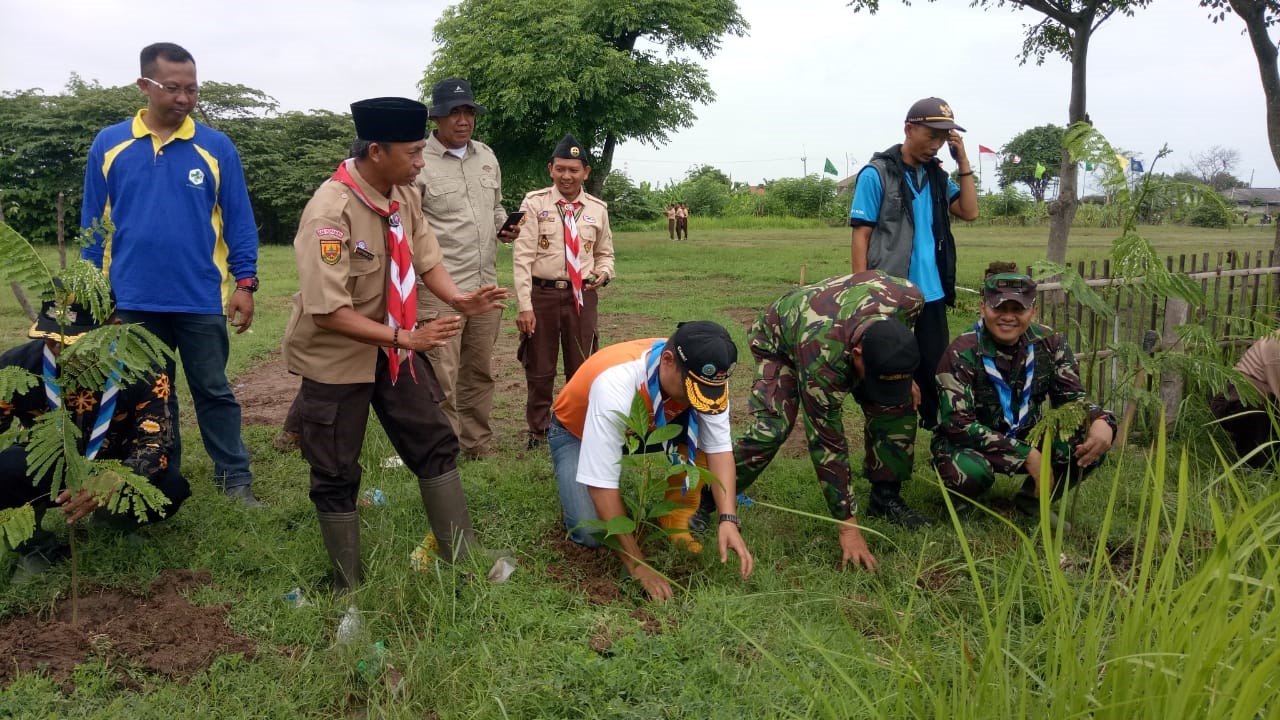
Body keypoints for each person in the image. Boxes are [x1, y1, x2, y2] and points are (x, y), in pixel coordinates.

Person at [282, 96, 509, 599]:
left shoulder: (402, 195)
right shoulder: (330, 210)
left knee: (434, 440)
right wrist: (405, 337)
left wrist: (459, 299)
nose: (421, 162)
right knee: (335, 468)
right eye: (412, 153)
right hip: (339, 357)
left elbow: (427, 258)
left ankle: (461, 559)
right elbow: (328, 311)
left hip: (396, 348)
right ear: (376, 152)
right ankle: (346, 584)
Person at [79, 42, 262, 506]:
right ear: (145, 85)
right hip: (132, 300)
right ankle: (162, 477)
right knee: (149, 397)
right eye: (173, 88)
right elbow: (92, 227)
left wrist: (245, 283)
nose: (184, 99)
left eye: (192, 89)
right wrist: (93, 296)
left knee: (214, 389)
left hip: (199, 296)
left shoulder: (216, 147)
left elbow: (239, 220)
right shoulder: (110, 143)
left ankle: (234, 478)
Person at [700, 271, 929, 573]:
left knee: (896, 406)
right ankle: (705, 499)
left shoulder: (910, 298)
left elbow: (900, 335)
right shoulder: (823, 360)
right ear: (856, 355)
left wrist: (901, 374)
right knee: (772, 429)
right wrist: (848, 526)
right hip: (779, 335)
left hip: (843, 323)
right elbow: (827, 443)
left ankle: (885, 497)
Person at [550, 321, 752, 601]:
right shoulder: (615, 384)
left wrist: (728, 519)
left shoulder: (707, 382)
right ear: (667, 362)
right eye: (691, 389)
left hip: (654, 424)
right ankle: (573, 484)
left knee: (700, 424)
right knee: (591, 533)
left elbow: (719, 450)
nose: (700, 399)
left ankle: (675, 514)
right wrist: (638, 565)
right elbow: (601, 484)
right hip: (577, 432)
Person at [2, 293, 190, 579]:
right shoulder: (15, 369)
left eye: (74, 342)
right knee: (4, 471)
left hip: (115, 462)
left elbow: (157, 443)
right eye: (52, 340)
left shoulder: (143, 368)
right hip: (47, 461)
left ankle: (114, 524)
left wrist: (112, 480)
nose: (59, 352)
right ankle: (35, 545)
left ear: (113, 327)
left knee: (169, 486)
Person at [932, 268, 1116, 529]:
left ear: (1033, 312)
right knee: (971, 471)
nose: (1008, 317)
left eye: (1017, 309)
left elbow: (1072, 400)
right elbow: (957, 424)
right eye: (999, 308)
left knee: (1091, 440)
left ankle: (1033, 501)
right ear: (983, 308)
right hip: (969, 441)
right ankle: (965, 501)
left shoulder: (1050, 343)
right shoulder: (962, 352)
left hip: (1027, 431)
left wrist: (1100, 419)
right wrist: (1028, 455)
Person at [850, 96, 979, 431]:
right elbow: (861, 236)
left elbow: (969, 211)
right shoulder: (876, 174)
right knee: (891, 372)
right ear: (909, 129)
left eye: (943, 138)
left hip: (932, 296)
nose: (936, 145)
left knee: (935, 373)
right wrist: (864, 293)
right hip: (890, 296)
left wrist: (962, 158)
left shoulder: (937, 177)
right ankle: (890, 450)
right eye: (931, 135)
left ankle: (939, 439)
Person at [413, 77, 517, 459]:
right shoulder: (419, 160)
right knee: (442, 375)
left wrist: (507, 226)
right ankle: (445, 449)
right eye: (454, 112)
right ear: (436, 118)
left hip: (485, 285)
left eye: (468, 112)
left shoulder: (487, 156)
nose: (463, 120)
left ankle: (478, 443)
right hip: (440, 289)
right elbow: (409, 224)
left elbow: (496, 209)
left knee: (479, 370)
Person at [513, 134, 615, 449]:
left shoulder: (597, 209)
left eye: (573, 170)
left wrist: (604, 273)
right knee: (540, 368)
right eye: (560, 169)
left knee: (583, 366)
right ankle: (538, 431)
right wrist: (524, 305)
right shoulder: (534, 203)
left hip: (581, 297)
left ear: (585, 172)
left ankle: (577, 428)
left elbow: (605, 253)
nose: (566, 176)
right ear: (551, 169)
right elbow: (522, 257)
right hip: (542, 296)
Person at [1210, 334, 1280, 468]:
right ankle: (1253, 467)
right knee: (1255, 410)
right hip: (1233, 400)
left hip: (1267, 399)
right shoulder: (1276, 348)